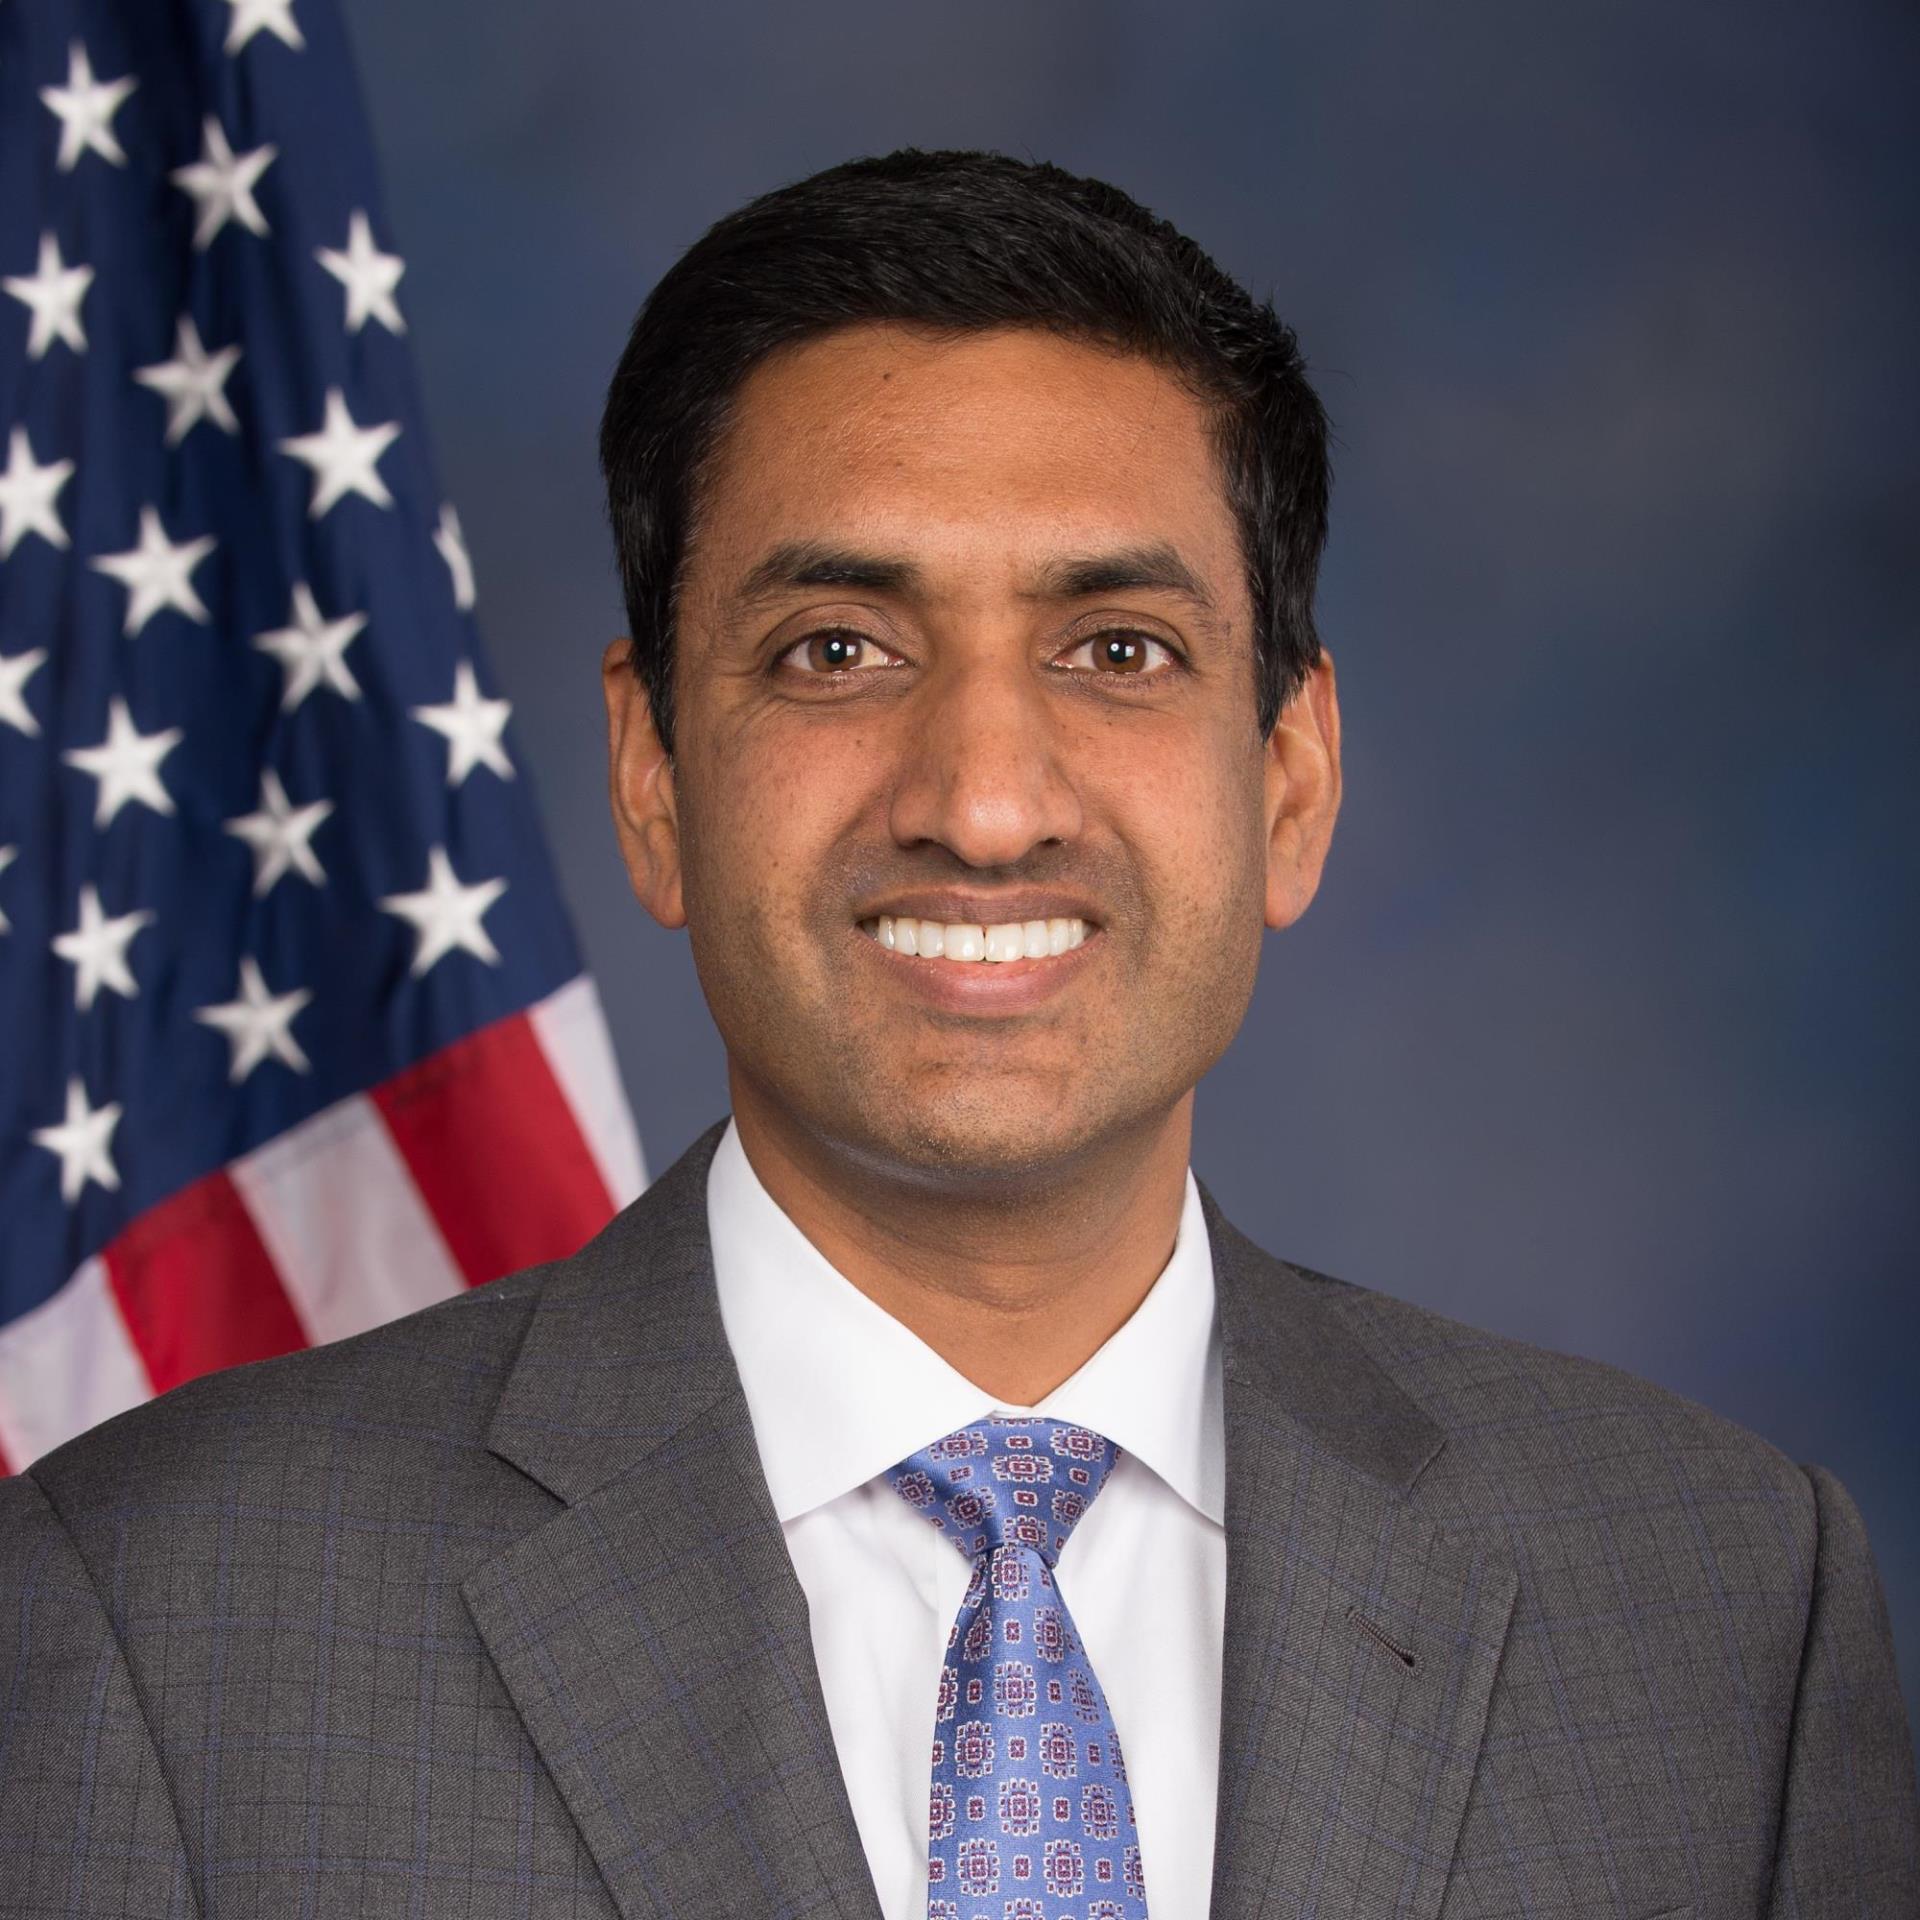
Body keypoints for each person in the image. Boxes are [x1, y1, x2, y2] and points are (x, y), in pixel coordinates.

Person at [1, 148, 1912, 1920]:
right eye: (839, 647)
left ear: (1296, 777)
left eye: (1118, 651)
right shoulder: (163, 1620)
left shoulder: (1726, 1607)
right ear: (653, 772)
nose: (987, 802)